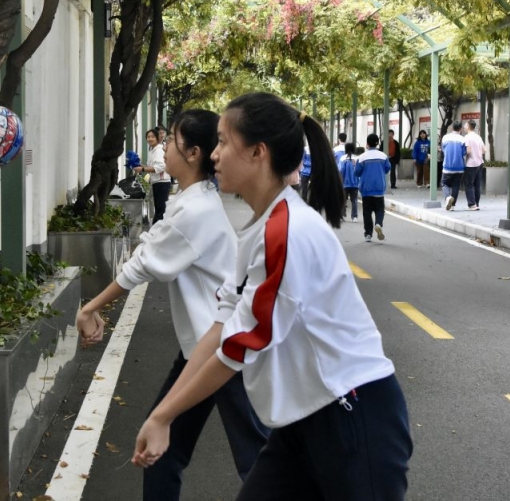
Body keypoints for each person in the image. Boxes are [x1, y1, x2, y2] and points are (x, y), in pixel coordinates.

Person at [132, 92, 412, 500]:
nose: (215, 154)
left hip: (353, 416)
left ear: (258, 153)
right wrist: (162, 414)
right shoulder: (260, 225)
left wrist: (164, 415)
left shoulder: (287, 231)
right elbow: (221, 324)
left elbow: (238, 347)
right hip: (304, 419)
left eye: (224, 141)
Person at [79, 110, 269, 501]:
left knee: (260, 462)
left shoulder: (196, 209)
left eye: (171, 141)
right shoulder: (188, 200)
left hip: (226, 351)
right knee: (160, 449)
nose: (163, 147)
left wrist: (89, 308)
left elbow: (145, 264)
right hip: (202, 350)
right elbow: (151, 247)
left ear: (194, 152)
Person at [356, 133, 391, 242]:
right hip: (379, 188)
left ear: (367, 143)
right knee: (380, 209)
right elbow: (387, 169)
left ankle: (368, 234)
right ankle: (378, 223)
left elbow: (357, 172)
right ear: (377, 143)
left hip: (366, 189)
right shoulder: (383, 156)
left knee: (367, 212)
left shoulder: (362, 157)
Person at [135, 129, 172, 223]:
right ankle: (156, 230)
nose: (150, 139)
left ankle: (158, 232)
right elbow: (151, 166)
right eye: (148, 137)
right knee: (159, 208)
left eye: (152, 137)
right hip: (156, 182)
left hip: (162, 182)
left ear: (157, 138)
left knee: (161, 210)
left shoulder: (158, 150)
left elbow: (160, 166)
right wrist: (141, 166)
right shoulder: (152, 150)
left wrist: (143, 169)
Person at [440, 121, 467, 211]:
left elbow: (443, 150)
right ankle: (452, 206)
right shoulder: (462, 139)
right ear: (460, 129)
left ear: (452, 128)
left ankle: (448, 197)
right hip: (459, 167)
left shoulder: (445, 137)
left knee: (444, 184)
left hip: (447, 166)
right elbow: (464, 153)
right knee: (456, 186)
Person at [463, 120, 486, 210]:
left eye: (465, 125)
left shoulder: (467, 137)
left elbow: (468, 151)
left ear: (468, 126)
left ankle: (471, 204)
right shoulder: (478, 137)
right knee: (477, 184)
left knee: (469, 184)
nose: (464, 126)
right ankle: (476, 203)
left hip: (471, 164)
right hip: (480, 163)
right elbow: (484, 150)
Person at [338, 142, 359, 222]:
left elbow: (340, 170)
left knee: (343, 200)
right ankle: (354, 217)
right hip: (355, 183)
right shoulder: (357, 158)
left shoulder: (342, 158)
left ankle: (342, 216)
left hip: (344, 183)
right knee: (354, 201)